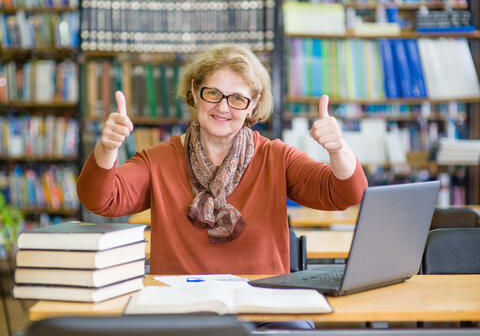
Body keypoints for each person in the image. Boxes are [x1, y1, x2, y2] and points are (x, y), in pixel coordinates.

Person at [77, 45, 367, 310]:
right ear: (195, 90)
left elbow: (346, 194)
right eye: (213, 93)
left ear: (253, 105)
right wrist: (107, 148)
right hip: (179, 310)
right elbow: (101, 200)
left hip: (266, 308)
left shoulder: (276, 157)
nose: (223, 107)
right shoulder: (158, 159)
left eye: (238, 98)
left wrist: (338, 149)